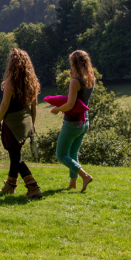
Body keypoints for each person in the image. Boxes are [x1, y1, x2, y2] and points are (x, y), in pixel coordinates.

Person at [0, 48, 42, 199]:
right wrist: (32, 124)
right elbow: (34, 106)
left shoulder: (11, 81)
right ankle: (10, 185)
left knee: (16, 157)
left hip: (12, 123)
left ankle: (33, 187)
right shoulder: (32, 81)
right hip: (25, 122)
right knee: (14, 154)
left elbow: (4, 104)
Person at [50, 50, 96, 192]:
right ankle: (73, 184)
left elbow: (70, 104)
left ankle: (85, 176)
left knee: (61, 155)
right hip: (85, 121)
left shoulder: (74, 82)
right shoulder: (90, 79)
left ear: (74, 63)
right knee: (72, 153)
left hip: (72, 122)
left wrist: (57, 109)